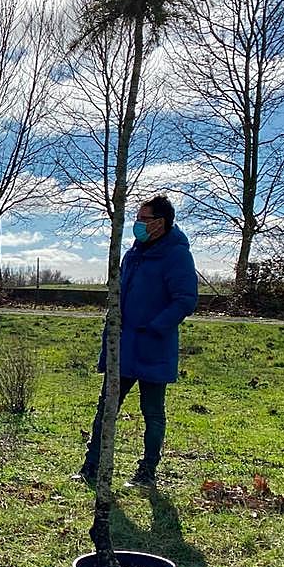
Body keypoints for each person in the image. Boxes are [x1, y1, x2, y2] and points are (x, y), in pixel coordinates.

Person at [77, 194, 198, 490]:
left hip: (153, 347)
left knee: (153, 412)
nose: (138, 225)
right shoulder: (133, 253)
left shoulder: (176, 255)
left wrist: (155, 327)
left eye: (144, 219)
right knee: (106, 407)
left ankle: (147, 472)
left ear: (160, 222)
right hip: (122, 346)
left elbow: (185, 300)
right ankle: (92, 466)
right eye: (138, 218)